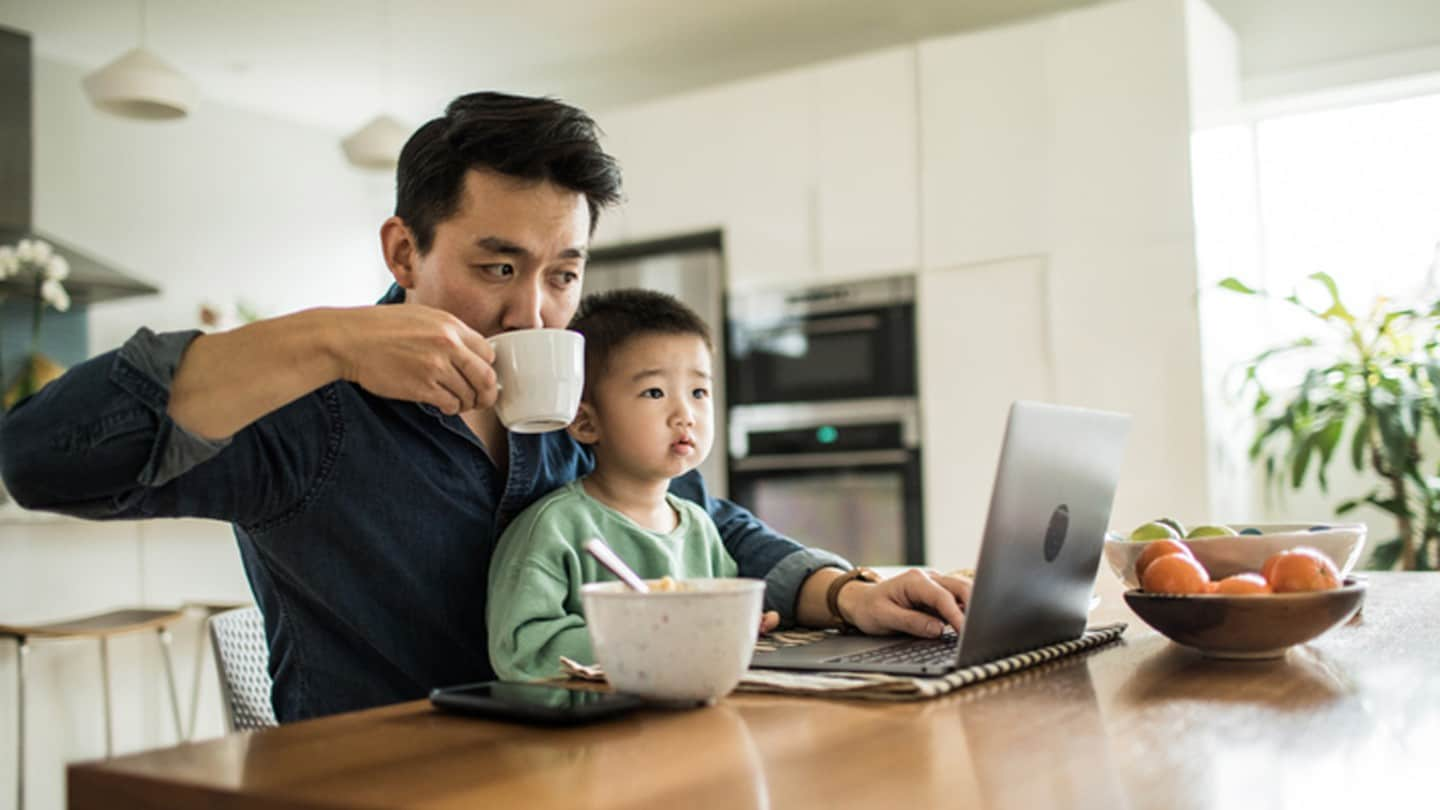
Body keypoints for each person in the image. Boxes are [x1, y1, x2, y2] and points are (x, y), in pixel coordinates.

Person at [0, 91, 972, 723]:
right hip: (384, 786)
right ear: (403, 252)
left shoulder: (578, 399)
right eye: (497, 266)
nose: (531, 311)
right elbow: (39, 458)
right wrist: (328, 338)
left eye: (563, 274)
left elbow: (695, 520)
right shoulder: (312, 407)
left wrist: (844, 592)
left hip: (583, 767)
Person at [489, 289, 755, 681]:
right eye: (654, 392)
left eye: (698, 392)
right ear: (586, 423)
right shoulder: (555, 528)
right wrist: (648, 637)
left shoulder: (699, 527)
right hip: (586, 730)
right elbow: (523, 651)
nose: (686, 415)